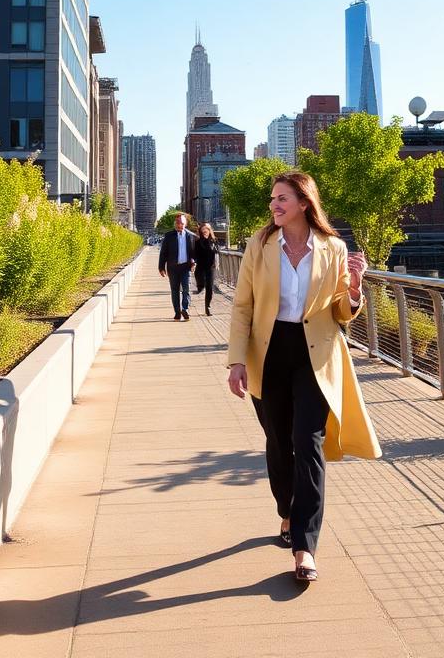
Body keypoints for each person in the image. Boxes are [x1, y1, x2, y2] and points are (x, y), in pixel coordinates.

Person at [226, 171, 380, 583]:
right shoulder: (259, 246)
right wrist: (237, 361)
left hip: (316, 354)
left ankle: (305, 548)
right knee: (277, 442)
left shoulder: (332, 248)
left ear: (304, 203)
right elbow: (243, 306)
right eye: (273, 199)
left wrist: (353, 290)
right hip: (269, 353)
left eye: (282, 199)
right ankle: (286, 512)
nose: (274, 205)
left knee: (307, 443)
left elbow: (341, 313)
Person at [157, 212, 197, 321]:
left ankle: (185, 309)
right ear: (175, 224)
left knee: (186, 289)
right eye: (178, 223)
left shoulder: (191, 237)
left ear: (186, 224)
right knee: (175, 290)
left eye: (182, 223)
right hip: (173, 268)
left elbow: (194, 253)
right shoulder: (169, 236)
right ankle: (177, 312)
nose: (180, 225)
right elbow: (163, 253)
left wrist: (194, 262)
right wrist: (161, 267)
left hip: (185, 267)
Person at [194, 223, 220, 316]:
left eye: (207, 230)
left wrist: (217, 262)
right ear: (201, 231)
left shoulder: (214, 240)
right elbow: (195, 255)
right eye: (203, 230)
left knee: (210, 288)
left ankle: (207, 307)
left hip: (211, 267)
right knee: (201, 284)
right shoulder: (198, 241)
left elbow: (218, 252)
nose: (205, 232)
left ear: (210, 230)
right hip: (201, 266)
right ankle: (199, 288)